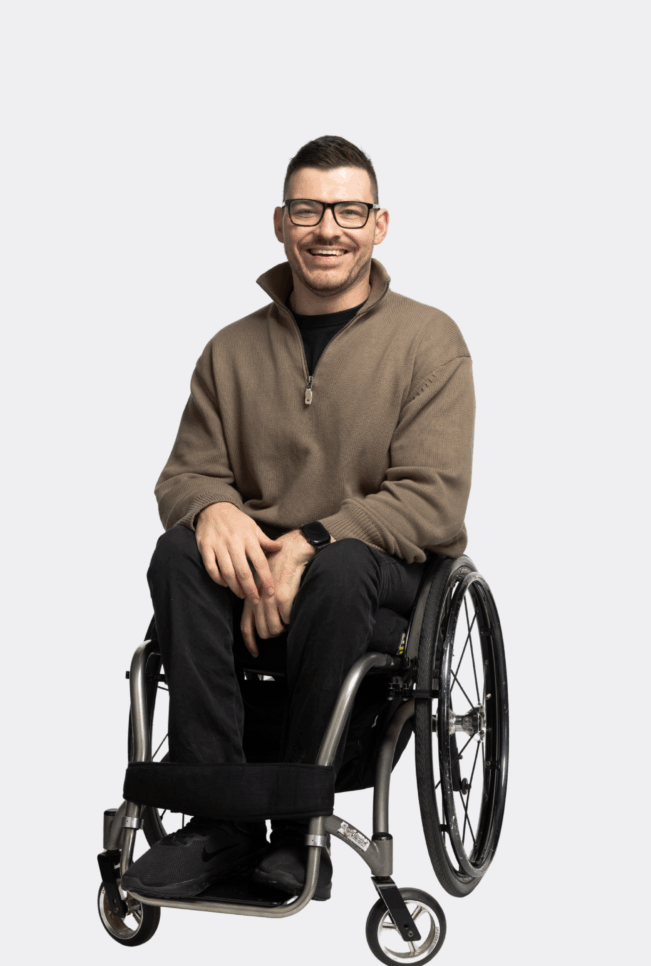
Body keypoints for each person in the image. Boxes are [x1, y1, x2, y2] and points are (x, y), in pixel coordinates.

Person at [122, 135, 476, 903]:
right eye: (309, 209)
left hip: (371, 577)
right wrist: (214, 508)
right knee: (177, 553)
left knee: (339, 568)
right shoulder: (231, 350)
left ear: (379, 224)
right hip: (251, 576)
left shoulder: (428, 342)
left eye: (348, 210)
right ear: (280, 222)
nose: (328, 229)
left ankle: (295, 830)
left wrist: (310, 544)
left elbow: (432, 497)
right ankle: (221, 826)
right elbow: (186, 473)